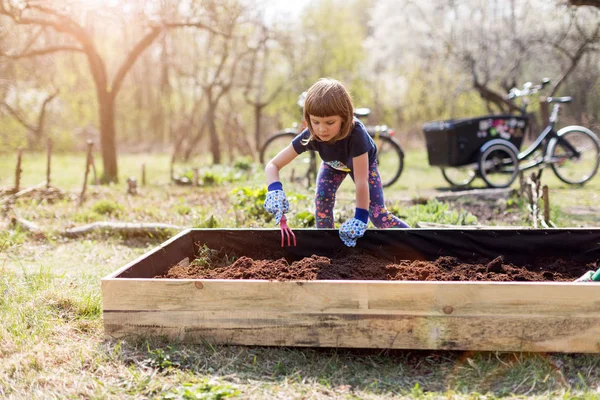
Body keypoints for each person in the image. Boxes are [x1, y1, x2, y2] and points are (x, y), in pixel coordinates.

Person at [263, 78, 409, 247]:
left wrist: (360, 217)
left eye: (330, 122)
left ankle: (416, 242)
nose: (322, 129)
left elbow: (361, 182)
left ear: (344, 118)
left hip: (362, 165)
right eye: (315, 121)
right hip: (333, 165)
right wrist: (274, 190)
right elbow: (273, 165)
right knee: (322, 201)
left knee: (377, 215)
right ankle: (328, 248)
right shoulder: (312, 134)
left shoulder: (356, 134)